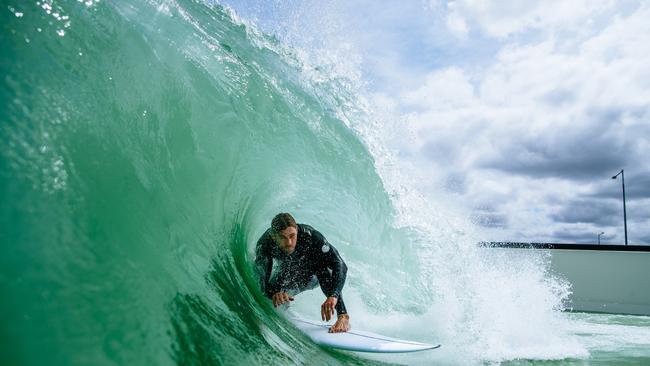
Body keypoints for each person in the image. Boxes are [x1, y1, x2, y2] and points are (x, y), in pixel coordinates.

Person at [255, 213, 351, 333]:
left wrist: (334, 296)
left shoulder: (310, 236)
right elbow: (262, 278)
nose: (289, 242)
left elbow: (340, 264)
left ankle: (343, 316)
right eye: (283, 237)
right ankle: (283, 309)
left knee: (322, 266)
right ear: (274, 237)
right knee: (276, 287)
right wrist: (273, 293)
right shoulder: (265, 244)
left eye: (292, 236)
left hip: (312, 275)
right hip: (288, 273)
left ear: (297, 231)